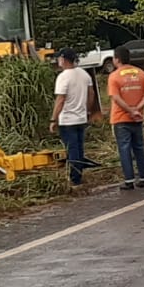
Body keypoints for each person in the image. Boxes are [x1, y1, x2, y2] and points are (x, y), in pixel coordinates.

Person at [49, 49, 100, 189]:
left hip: (67, 120)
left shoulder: (63, 77)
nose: (58, 61)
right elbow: (91, 94)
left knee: (72, 149)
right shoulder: (84, 75)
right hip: (81, 118)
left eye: (59, 58)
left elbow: (60, 100)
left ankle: (75, 178)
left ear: (64, 59)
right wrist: (87, 110)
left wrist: (53, 119)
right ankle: (79, 173)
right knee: (79, 147)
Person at [106, 46, 144, 191]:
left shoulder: (114, 76)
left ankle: (129, 180)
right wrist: (137, 109)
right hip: (137, 118)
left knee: (124, 149)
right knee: (139, 147)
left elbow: (115, 97)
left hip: (121, 118)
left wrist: (129, 110)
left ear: (117, 59)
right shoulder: (141, 74)